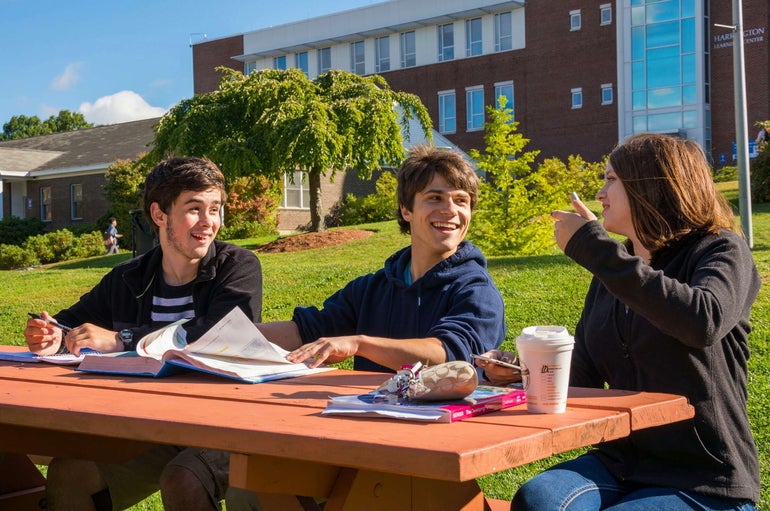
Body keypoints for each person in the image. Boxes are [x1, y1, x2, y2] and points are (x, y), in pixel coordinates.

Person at [479, 133, 760, 510]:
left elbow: (702, 321)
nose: (600, 192)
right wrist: (520, 371)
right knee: (539, 500)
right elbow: (582, 378)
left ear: (651, 185)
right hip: (620, 465)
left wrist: (598, 251)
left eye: (611, 179)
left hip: (705, 477)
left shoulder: (720, 250)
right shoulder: (612, 275)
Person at [226, 144, 507, 510]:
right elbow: (308, 329)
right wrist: (215, 336)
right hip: (359, 441)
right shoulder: (375, 286)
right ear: (407, 209)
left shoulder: (477, 290)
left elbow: (451, 357)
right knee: (250, 492)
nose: (450, 211)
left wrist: (359, 344)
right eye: (435, 198)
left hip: (431, 452)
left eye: (461, 200)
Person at [24, 157, 264, 511]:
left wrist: (121, 340)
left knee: (183, 478)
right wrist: (52, 335)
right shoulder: (128, 277)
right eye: (194, 209)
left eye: (214, 209)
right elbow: (70, 324)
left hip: (224, 423)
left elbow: (217, 337)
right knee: (69, 472)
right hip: (153, 424)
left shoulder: (238, 267)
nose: (208, 222)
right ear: (159, 214)